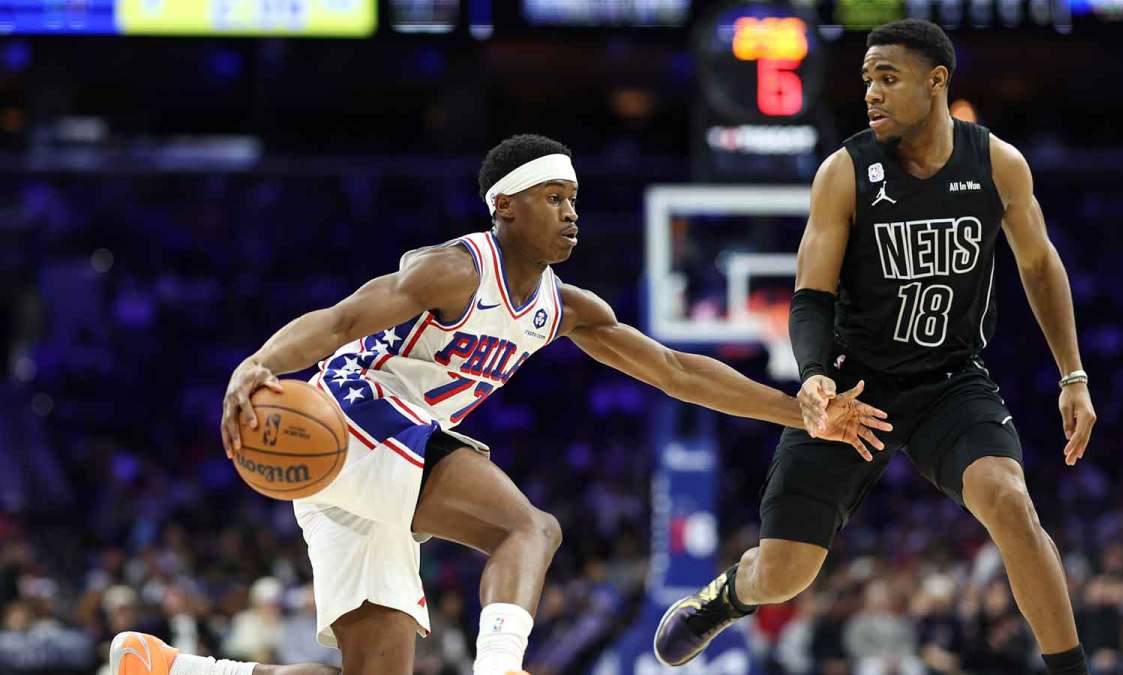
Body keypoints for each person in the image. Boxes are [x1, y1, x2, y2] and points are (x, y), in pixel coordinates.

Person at [110, 134, 891, 675]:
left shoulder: (563, 306)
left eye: (576, 198)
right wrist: (260, 361)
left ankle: (175, 664)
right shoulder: (456, 269)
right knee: (530, 527)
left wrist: (801, 411)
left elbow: (675, 369)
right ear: (507, 206)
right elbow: (346, 318)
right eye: (555, 196)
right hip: (355, 416)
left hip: (369, 468)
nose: (572, 211)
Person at [654, 19, 1097, 675]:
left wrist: (1073, 375)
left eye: (887, 77)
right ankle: (727, 595)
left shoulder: (997, 164)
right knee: (784, 573)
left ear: (936, 81)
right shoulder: (846, 171)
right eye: (866, 80)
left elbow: (1039, 266)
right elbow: (811, 296)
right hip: (852, 384)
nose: (871, 93)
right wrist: (811, 377)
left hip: (950, 381)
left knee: (1010, 499)